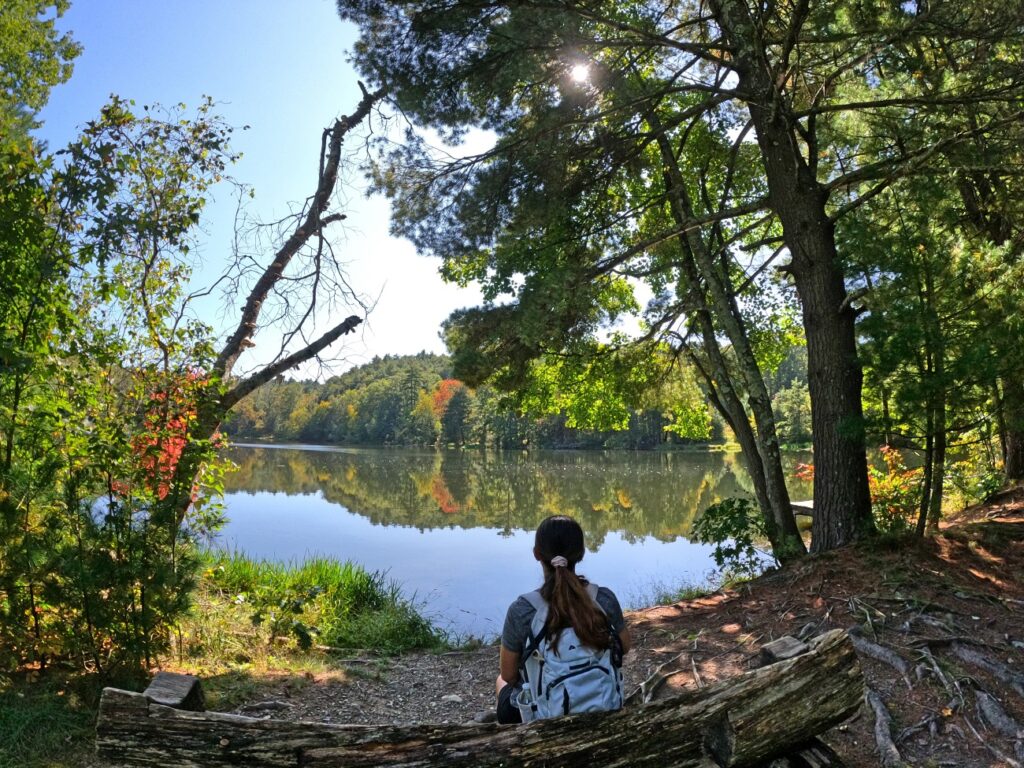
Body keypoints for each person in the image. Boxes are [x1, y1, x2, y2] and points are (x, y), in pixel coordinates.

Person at [496, 515, 631, 724]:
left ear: (536, 554)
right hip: (605, 703)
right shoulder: (603, 599)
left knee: (500, 682)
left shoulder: (522, 610)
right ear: (581, 554)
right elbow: (625, 646)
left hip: (547, 717)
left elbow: (508, 674)